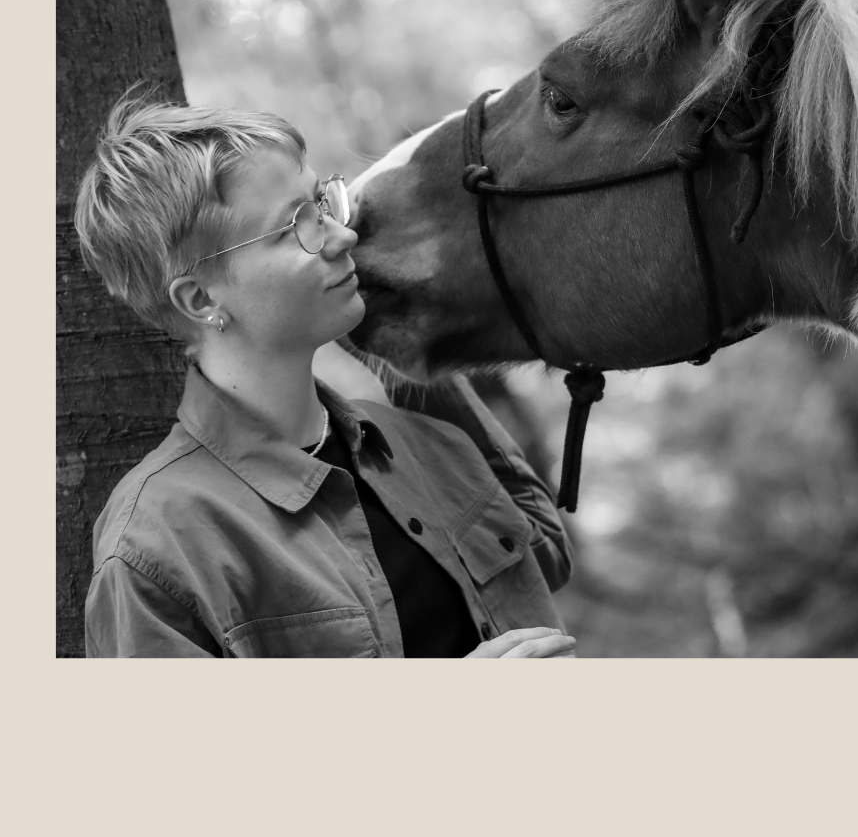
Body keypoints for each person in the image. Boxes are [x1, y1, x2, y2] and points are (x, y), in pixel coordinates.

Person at [76, 94, 574, 658]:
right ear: (199, 300)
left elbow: (544, 551)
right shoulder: (156, 543)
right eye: (293, 227)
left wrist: (406, 340)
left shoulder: (431, 444)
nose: (343, 237)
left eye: (320, 203)